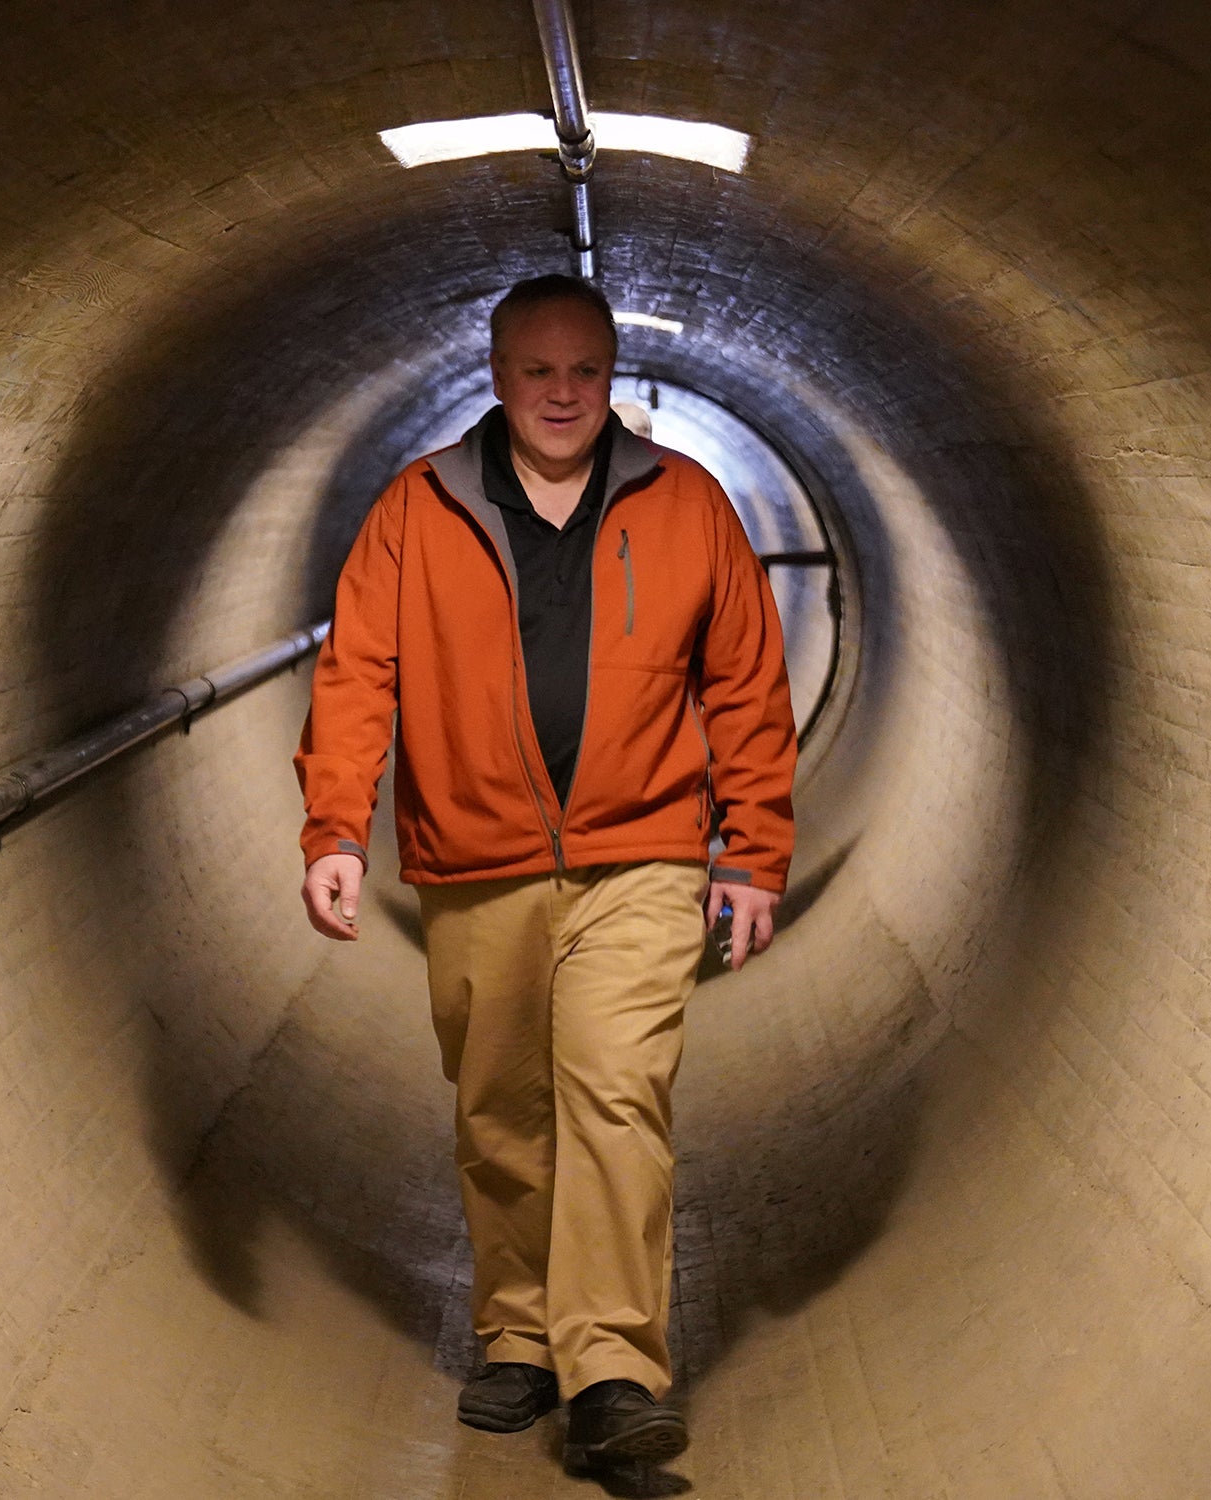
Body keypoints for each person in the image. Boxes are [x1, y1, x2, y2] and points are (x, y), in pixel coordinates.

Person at [295, 274, 796, 1473]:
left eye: (583, 371)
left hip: (645, 853)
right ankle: (517, 1336)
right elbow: (359, 674)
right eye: (537, 371)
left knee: (618, 1096)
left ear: (611, 376)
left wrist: (754, 849)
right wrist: (336, 831)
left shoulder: (691, 506)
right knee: (502, 1113)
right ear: (499, 373)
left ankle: (613, 1367)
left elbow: (745, 683)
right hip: (475, 858)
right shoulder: (418, 510)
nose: (562, 394)